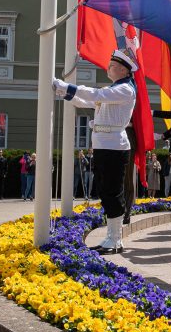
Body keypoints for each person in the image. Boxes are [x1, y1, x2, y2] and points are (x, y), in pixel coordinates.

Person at [54, 48, 138, 254]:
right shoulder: (114, 90)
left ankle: (116, 240)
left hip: (114, 146)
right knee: (104, 191)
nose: (109, 67)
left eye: (113, 65)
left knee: (112, 191)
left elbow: (96, 94)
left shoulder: (125, 89)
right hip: (104, 145)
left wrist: (67, 86)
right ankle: (111, 237)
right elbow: (88, 101)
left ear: (124, 70)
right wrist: (63, 92)